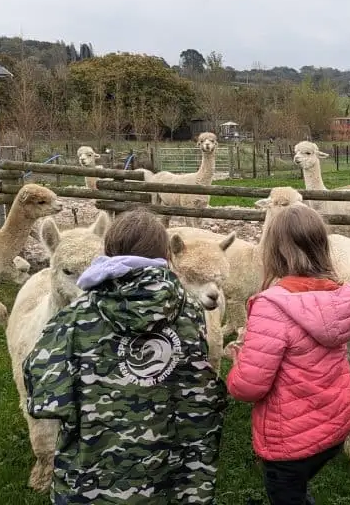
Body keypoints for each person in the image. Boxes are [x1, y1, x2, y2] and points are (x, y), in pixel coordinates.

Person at [23, 208, 227, 504]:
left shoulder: (76, 318)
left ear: (108, 253)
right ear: (165, 257)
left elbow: (43, 396)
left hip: (93, 478)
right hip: (173, 475)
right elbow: (197, 384)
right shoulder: (190, 314)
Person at [225, 203, 350, 505]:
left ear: (275, 252)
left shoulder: (272, 306)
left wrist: (237, 365)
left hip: (291, 441)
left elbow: (250, 385)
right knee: (299, 487)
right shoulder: (339, 297)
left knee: (287, 495)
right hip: (333, 426)